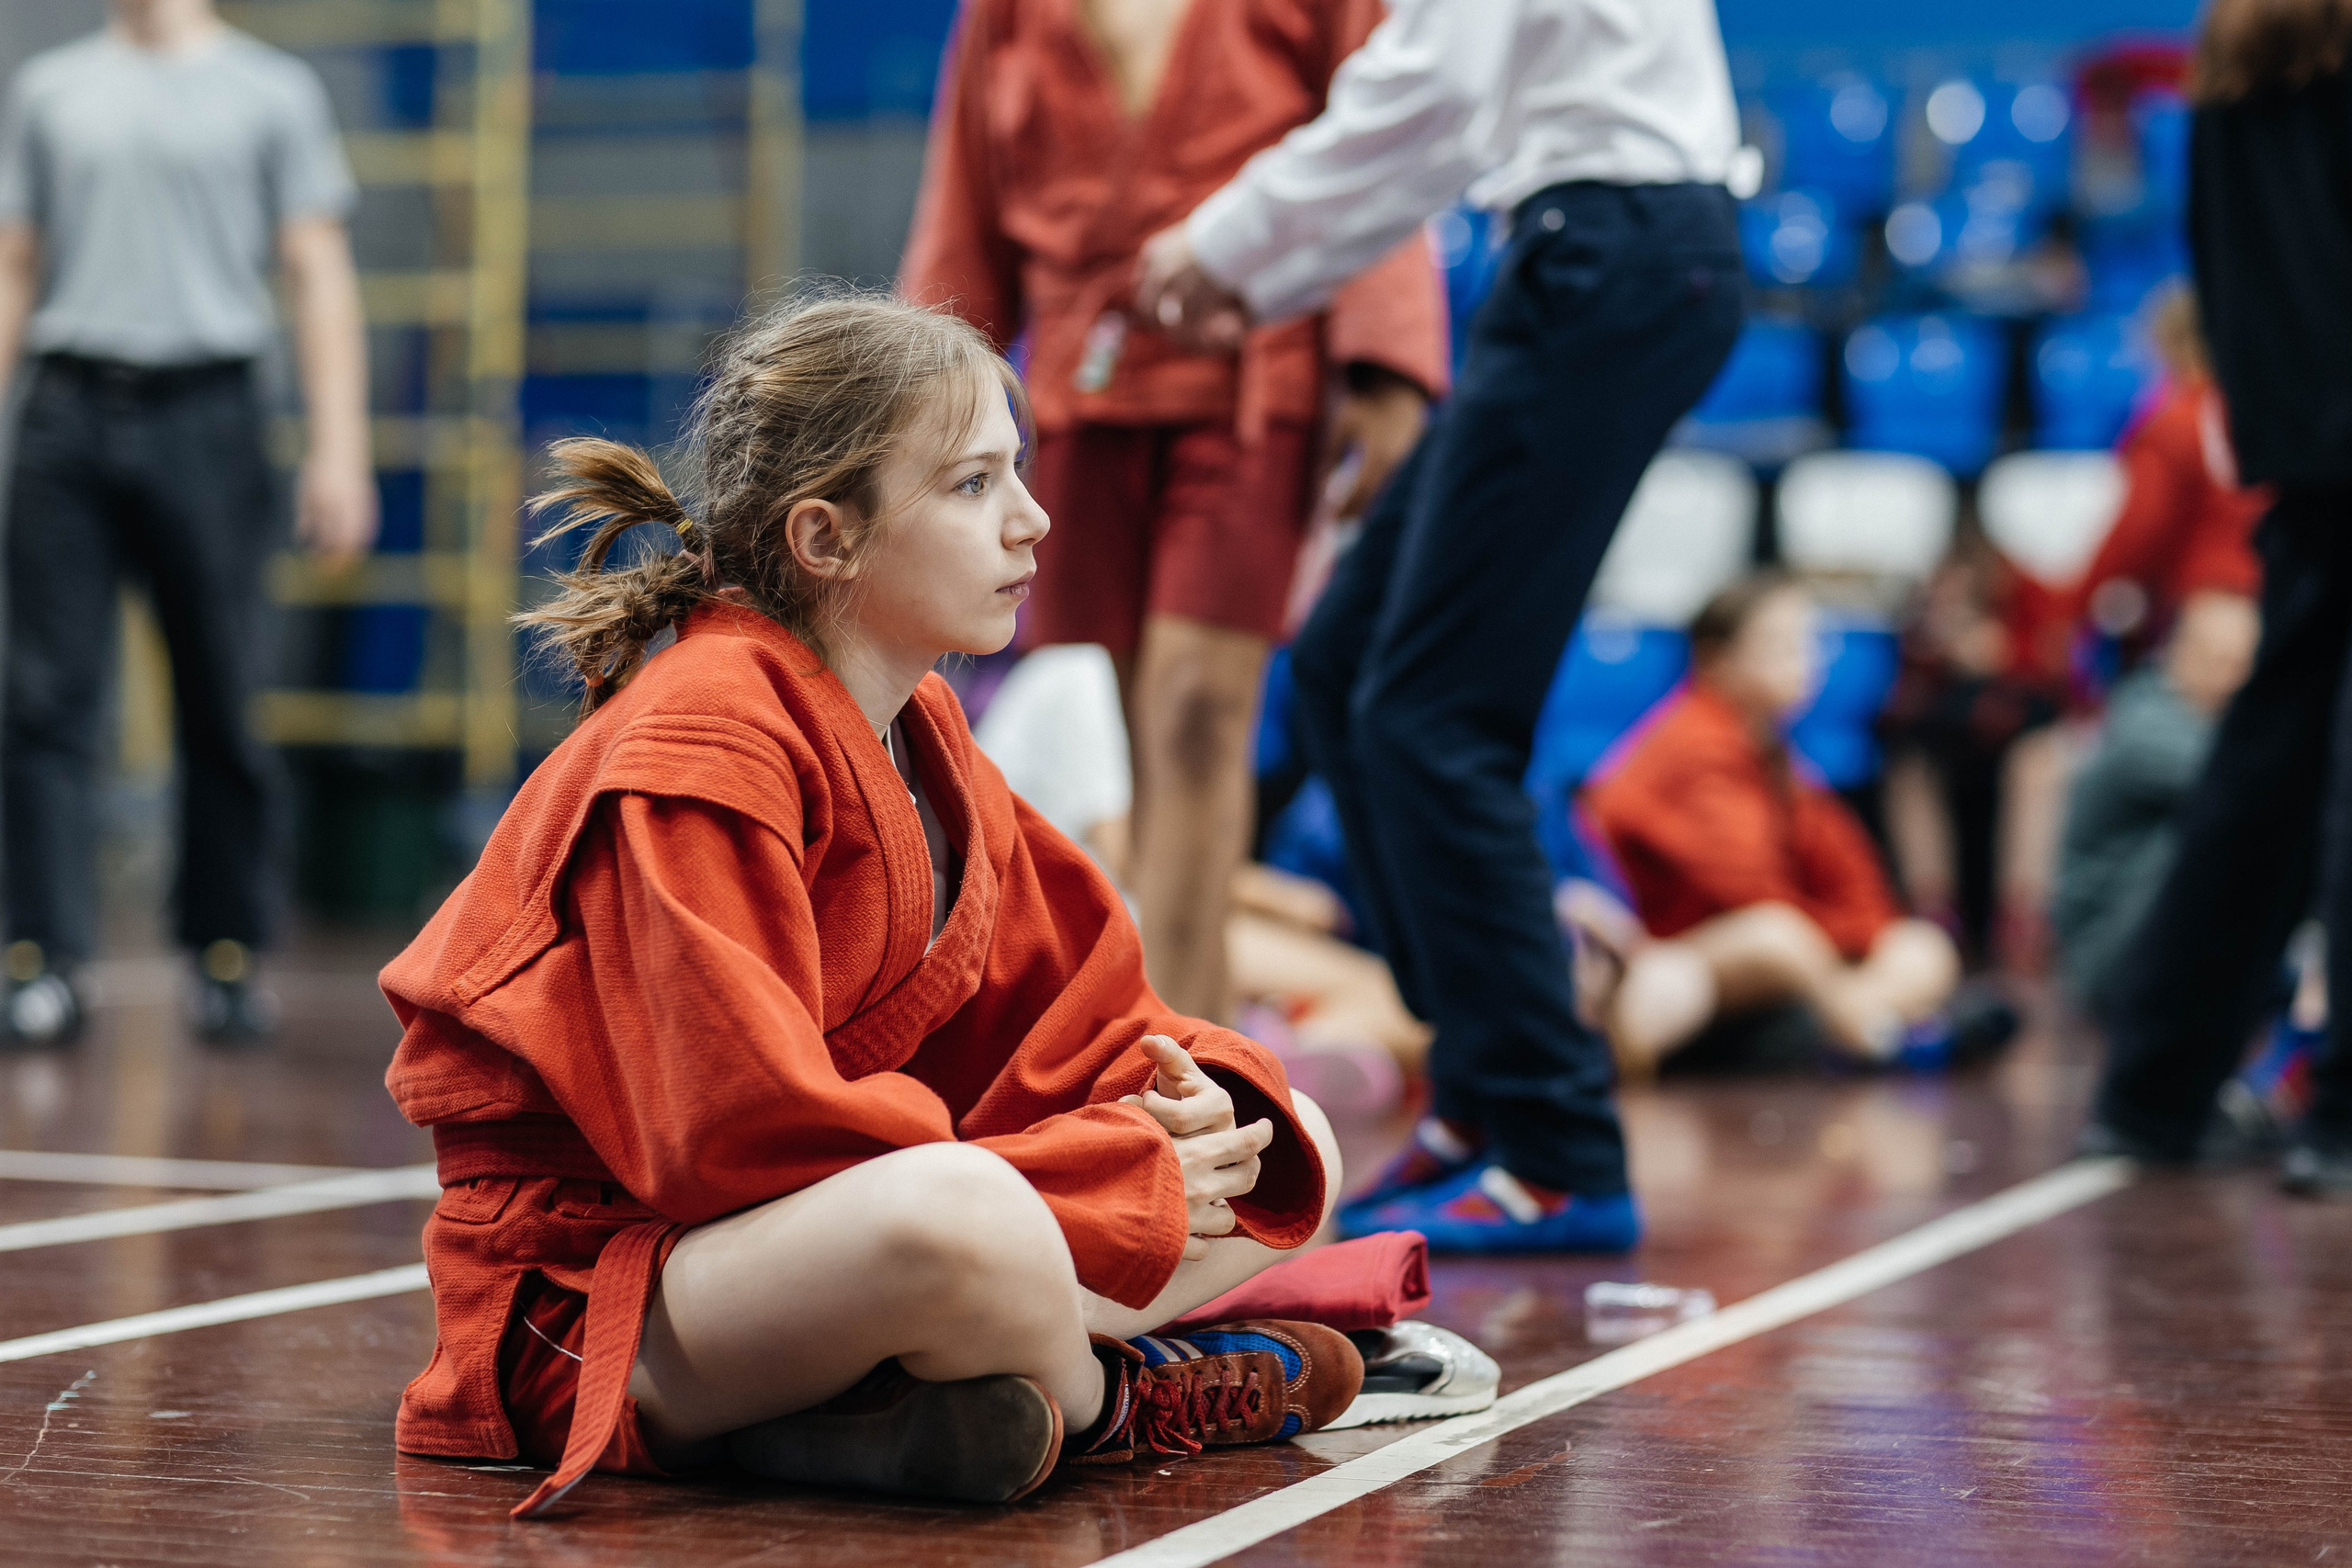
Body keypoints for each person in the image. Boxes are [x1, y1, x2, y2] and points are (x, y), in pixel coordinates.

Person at [380, 294, 1364, 1517]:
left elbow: (1078, 1007)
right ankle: (1119, 1399)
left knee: (1295, 1134)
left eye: (1019, 473)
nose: (1032, 518)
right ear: (825, 537)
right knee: (966, 1219)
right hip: (599, 1301)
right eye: (971, 485)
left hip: (795, 1256)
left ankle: (866, 1416)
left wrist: (1190, 1101)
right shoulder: (706, 729)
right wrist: (1100, 1164)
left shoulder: (924, 730)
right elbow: (733, 1138)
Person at [1136, 0, 1748, 1250]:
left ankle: (1556, 1141)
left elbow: (1424, 90)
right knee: (1348, 666)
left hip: (1609, 244)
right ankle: (1477, 1093)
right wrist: (1258, 268)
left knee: (1434, 718)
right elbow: (1438, 119)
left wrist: (1225, 251)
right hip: (1595, 246)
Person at [899, 0, 1448, 1024]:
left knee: (1196, 716)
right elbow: (962, 211)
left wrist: (1385, 365)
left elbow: (1383, 138)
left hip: (1250, 384)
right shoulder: (1005, 14)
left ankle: (1190, 1048)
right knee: (1101, 725)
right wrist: (914, 410)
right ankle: (1116, 1036)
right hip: (1074, 396)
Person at [0, 0, 377, 1043]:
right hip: (65, 412)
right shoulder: (50, 90)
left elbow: (316, 272)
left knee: (223, 689)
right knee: (44, 698)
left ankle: (224, 950)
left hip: (209, 413)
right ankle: (42, 958)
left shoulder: (272, 94)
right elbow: (15, 265)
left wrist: (338, 450)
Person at [2086, 0, 2352, 1195]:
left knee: (2263, 784)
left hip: (2298, 460)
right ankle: (2341, 1112)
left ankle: (2153, 1089)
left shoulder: (2230, 68)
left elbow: (2217, 267)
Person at [1581, 576, 1961, 1076]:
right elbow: (1746, 895)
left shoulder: (1774, 749)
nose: (1806, 661)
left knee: (1921, 948)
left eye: (1808, 643)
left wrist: (1857, 937)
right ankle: (1875, 1039)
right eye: (1781, 645)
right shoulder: (1692, 741)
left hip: (1772, 957)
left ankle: (1857, 1031)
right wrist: (1840, 941)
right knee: (1779, 938)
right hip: (1664, 950)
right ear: (1718, 659)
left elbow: (1853, 878)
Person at [2054, 591, 2259, 1021]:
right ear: (2179, 655)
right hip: (2106, 956)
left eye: (2246, 666)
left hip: (2138, 941)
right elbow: (2252, 787)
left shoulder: (2190, 718)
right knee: (2213, 827)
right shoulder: (2147, 725)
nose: (2236, 681)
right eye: (2221, 663)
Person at [2072, 286, 2268, 661]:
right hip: (2285, 595)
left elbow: (2139, 532)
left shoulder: (2179, 423)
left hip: (2216, 608)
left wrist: (2075, 606)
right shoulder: (2270, 414)